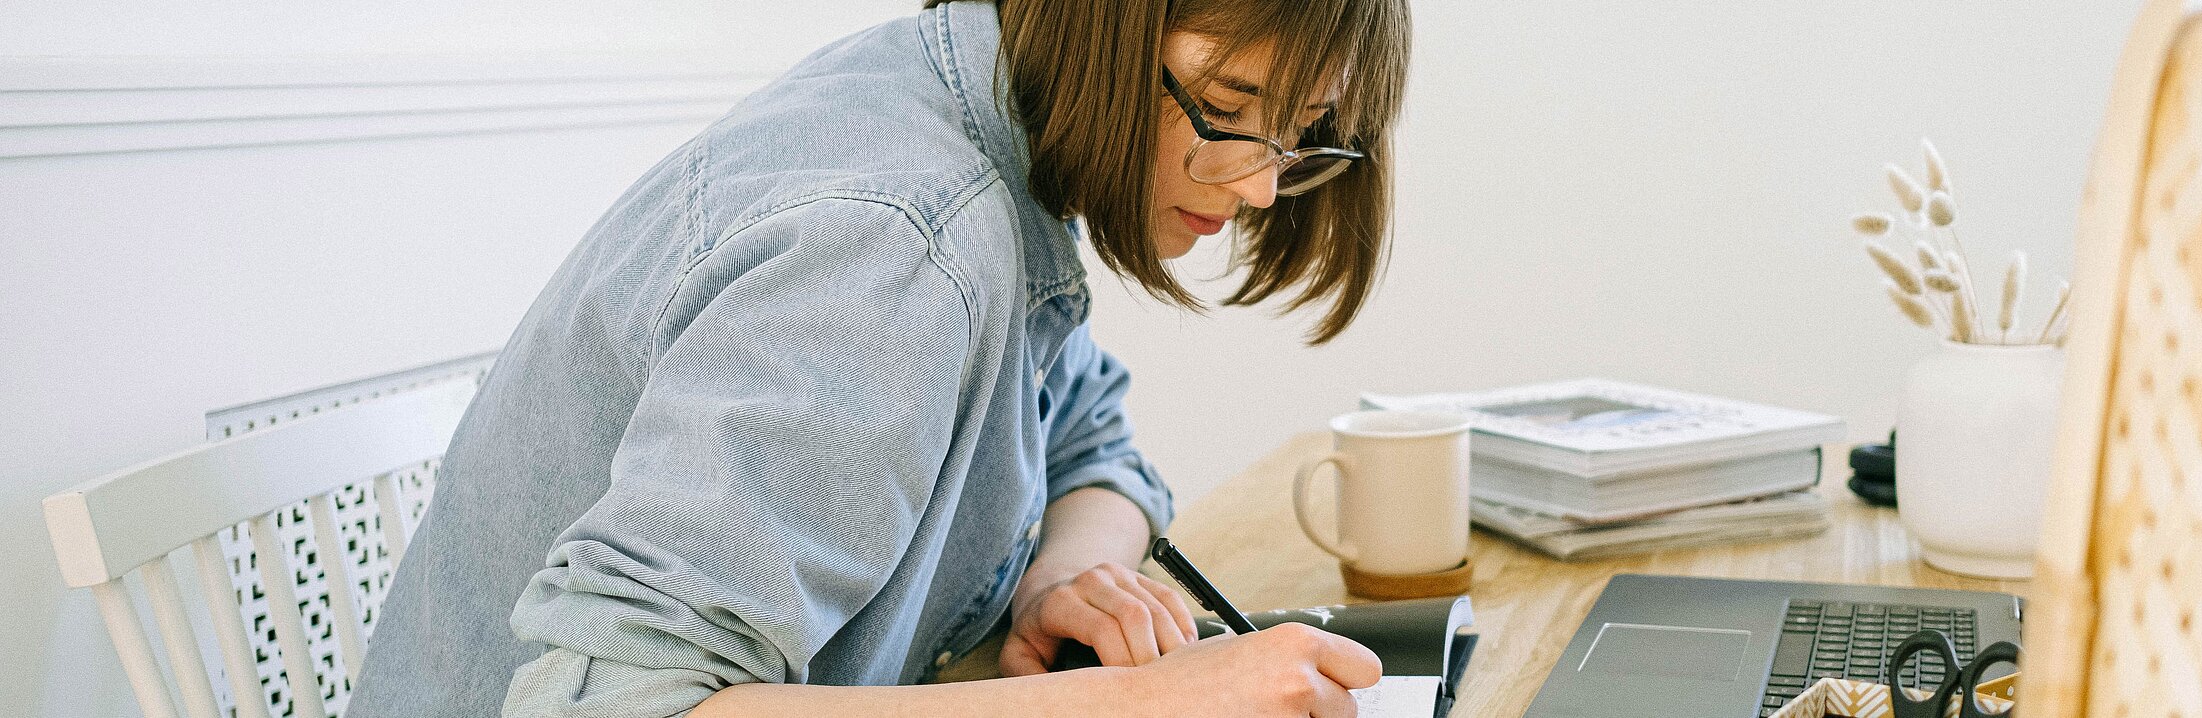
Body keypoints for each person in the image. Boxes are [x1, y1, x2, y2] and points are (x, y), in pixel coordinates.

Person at [347, 0, 1410, 715]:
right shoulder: (902, 238)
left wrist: (1071, 576)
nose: (1264, 186)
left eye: (1301, 132)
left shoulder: (994, 129)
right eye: (1227, 113)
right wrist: (1144, 696)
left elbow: (1092, 436)